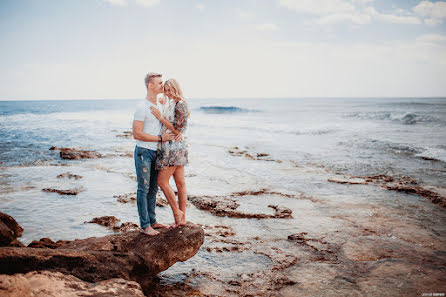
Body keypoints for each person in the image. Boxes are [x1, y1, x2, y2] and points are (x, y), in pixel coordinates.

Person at [133, 72, 176, 236]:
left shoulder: (159, 104)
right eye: (159, 83)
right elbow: (136, 134)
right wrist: (160, 138)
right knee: (143, 189)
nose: (162, 85)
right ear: (150, 85)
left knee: (153, 189)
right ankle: (145, 226)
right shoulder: (142, 107)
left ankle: (153, 221)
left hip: (157, 153)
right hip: (144, 152)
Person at [150, 79, 189, 228]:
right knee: (180, 183)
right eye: (165, 90)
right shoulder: (171, 103)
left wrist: (160, 117)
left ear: (176, 88)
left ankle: (178, 214)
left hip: (173, 147)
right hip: (172, 145)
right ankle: (181, 220)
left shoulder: (180, 105)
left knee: (162, 181)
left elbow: (178, 129)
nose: (167, 92)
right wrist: (162, 101)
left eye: (169, 89)